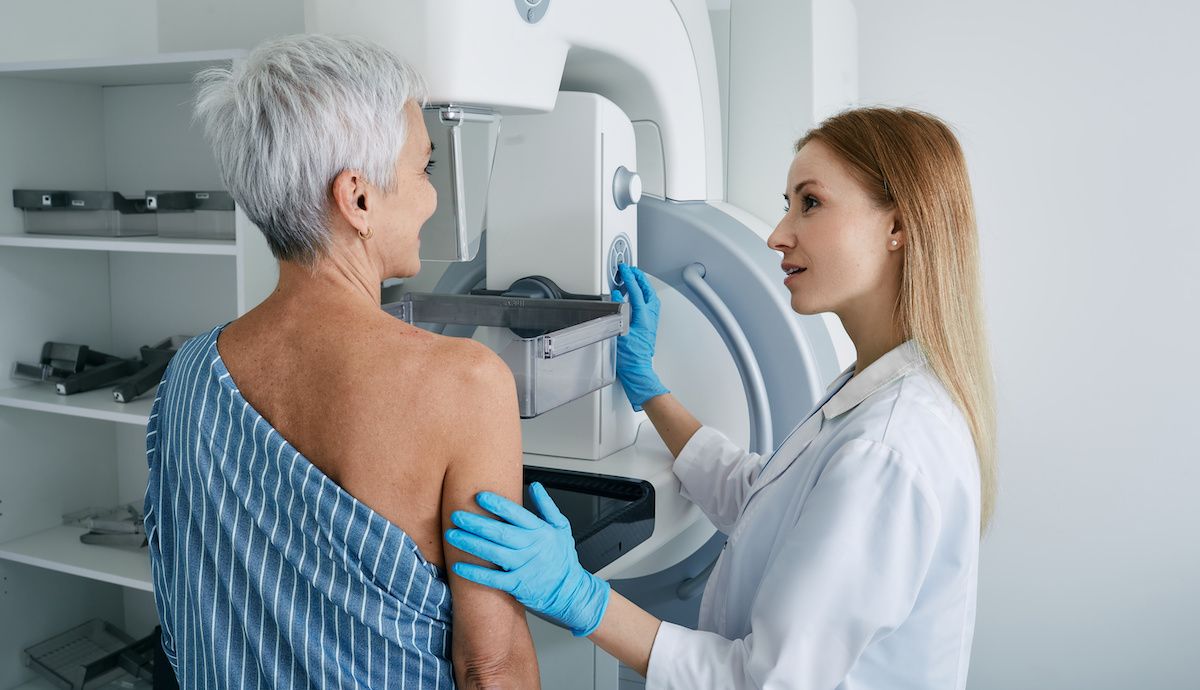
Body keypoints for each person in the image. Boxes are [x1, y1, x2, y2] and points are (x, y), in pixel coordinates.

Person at [446, 107, 996, 689]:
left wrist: (580, 597)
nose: (778, 234)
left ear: (897, 226)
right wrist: (648, 387)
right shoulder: (877, 388)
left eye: (809, 203)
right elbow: (765, 502)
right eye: (787, 204)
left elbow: (760, 682)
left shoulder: (887, 447)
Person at [144, 34, 538, 689]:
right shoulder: (464, 384)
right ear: (357, 198)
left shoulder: (186, 374)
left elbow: (183, 605)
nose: (432, 198)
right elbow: (489, 664)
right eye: (425, 169)